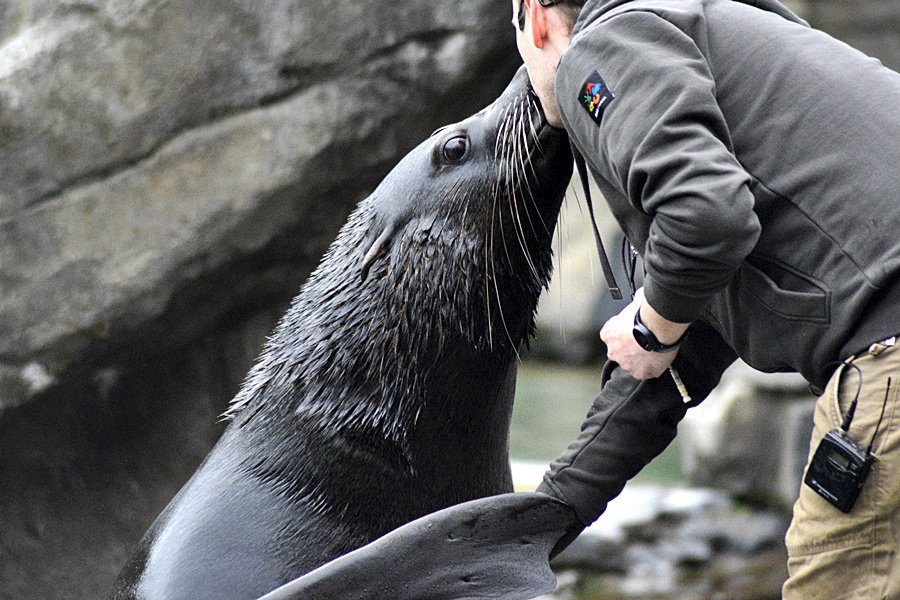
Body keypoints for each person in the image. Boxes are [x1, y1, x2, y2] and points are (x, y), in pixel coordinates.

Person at [511, 0, 900, 596]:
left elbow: (708, 217)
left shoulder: (602, 47)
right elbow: (686, 333)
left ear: (536, 17)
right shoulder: (715, 31)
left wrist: (648, 326)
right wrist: (539, 520)